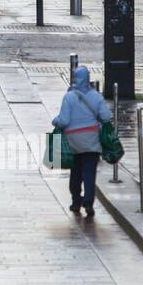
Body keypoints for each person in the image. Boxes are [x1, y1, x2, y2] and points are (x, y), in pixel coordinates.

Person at [51, 66, 113, 219]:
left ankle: (76, 201)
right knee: (89, 173)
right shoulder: (96, 97)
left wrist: (55, 121)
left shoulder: (69, 97)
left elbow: (64, 120)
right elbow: (106, 117)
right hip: (92, 141)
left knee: (76, 173)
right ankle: (88, 202)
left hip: (74, 142)